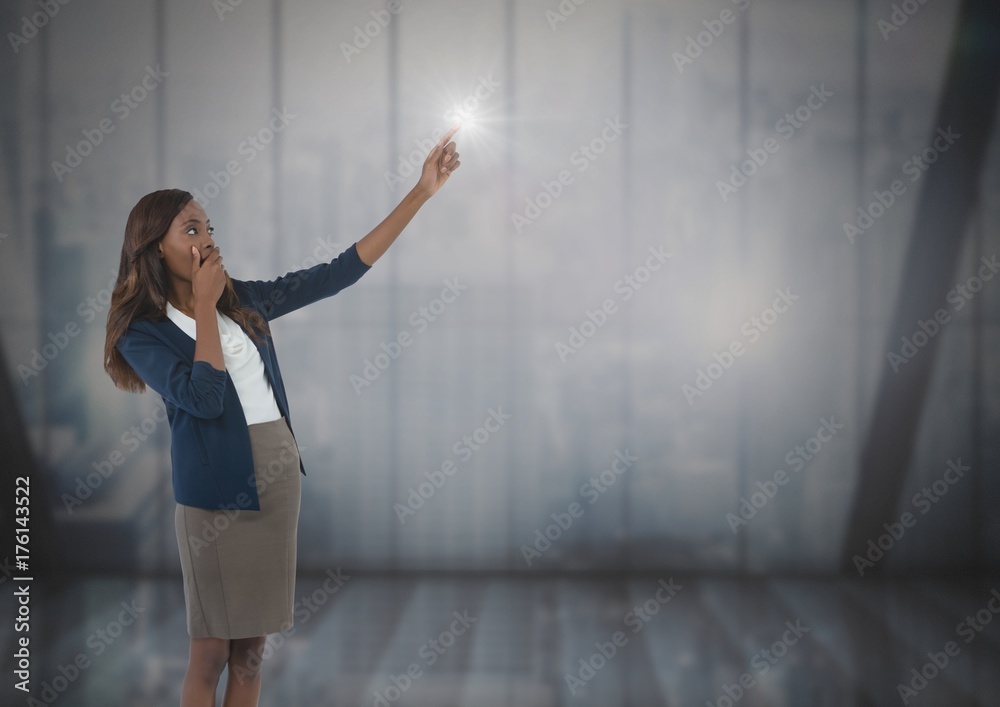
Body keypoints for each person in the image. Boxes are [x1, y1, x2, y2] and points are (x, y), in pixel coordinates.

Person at [103, 126, 460, 706]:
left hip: (275, 475)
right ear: (154, 247)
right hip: (215, 494)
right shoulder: (143, 332)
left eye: (209, 227)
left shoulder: (238, 299)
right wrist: (199, 303)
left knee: (250, 654)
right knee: (211, 653)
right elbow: (204, 398)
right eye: (191, 228)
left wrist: (420, 193)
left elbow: (336, 273)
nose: (207, 238)